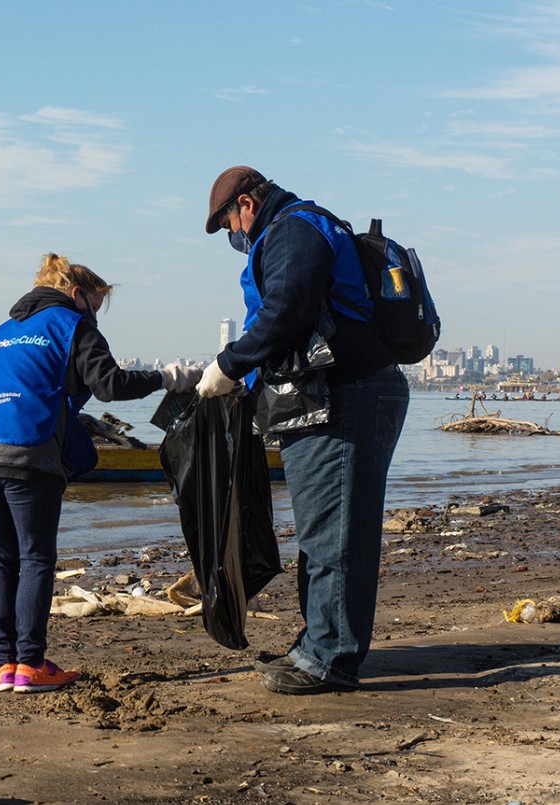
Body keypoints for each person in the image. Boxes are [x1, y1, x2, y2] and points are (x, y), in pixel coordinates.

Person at [196, 166, 410, 695]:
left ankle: (329, 659)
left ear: (246, 205)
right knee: (327, 531)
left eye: (228, 226)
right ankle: (317, 644)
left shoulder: (293, 229)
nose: (233, 238)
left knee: (334, 534)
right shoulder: (304, 226)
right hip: (342, 394)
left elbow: (286, 309)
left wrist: (228, 363)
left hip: (345, 396)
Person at [0, 253, 201, 694]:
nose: (97, 315)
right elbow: (110, 385)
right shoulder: (71, 324)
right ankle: (29, 665)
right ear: (76, 294)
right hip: (27, 447)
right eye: (97, 304)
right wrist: (169, 377)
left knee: (0, 559)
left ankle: (0, 667)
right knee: (34, 557)